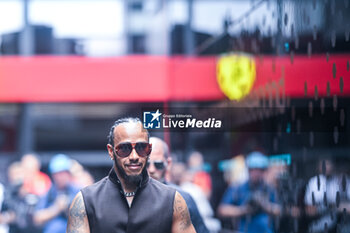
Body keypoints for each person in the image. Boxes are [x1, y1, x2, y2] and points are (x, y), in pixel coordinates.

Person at [66, 117, 196, 233]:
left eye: (141, 148)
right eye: (124, 148)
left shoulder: (172, 200)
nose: (134, 156)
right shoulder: (86, 200)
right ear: (111, 151)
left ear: (149, 150)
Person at [148, 137, 209, 233]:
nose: (151, 170)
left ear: (168, 164)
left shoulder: (183, 198)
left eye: (158, 164)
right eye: (147, 164)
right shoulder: (130, 197)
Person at [218, 151, 281, 233]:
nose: (255, 173)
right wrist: (243, 210)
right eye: (252, 169)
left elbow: (280, 210)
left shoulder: (269, 188)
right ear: (248, 170)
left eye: (259, 170)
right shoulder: (238, 188)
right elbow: (222, 210)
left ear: (263, 171)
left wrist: (265, 206)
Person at [33, 154, 79, 233]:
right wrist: (56, 208)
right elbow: (37, 218)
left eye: (63, 173)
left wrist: (69, 209)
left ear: (68, 174)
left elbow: (85, 217)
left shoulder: (77, 191)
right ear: (53, 175)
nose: (60, 177)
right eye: (57, 174)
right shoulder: (48, 192)